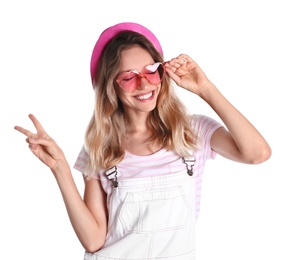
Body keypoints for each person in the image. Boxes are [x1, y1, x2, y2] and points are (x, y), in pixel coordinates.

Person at [14, 22, 271, 260]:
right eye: (129, 77)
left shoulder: (192, 131)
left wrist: (205, 88)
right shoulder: (100, 147)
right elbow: (93, 241)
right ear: (111, 87)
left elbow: (257, 153)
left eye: (151, 71)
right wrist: (60, 168)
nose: (144, 83)